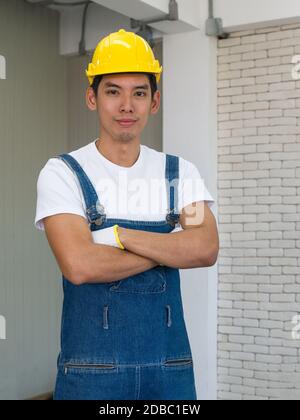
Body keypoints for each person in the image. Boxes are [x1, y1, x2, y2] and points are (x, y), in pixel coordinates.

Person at [34, 28, 219, 400]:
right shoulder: (63, 172)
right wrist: (167, 247)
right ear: (92, 98)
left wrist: (120, 237)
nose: (126, 106)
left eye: (139, 93)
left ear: (154, 102)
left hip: (170, 373)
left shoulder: (180, 173)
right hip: (90, 375)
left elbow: (204, 248)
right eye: (113, 91)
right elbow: (80, 265)